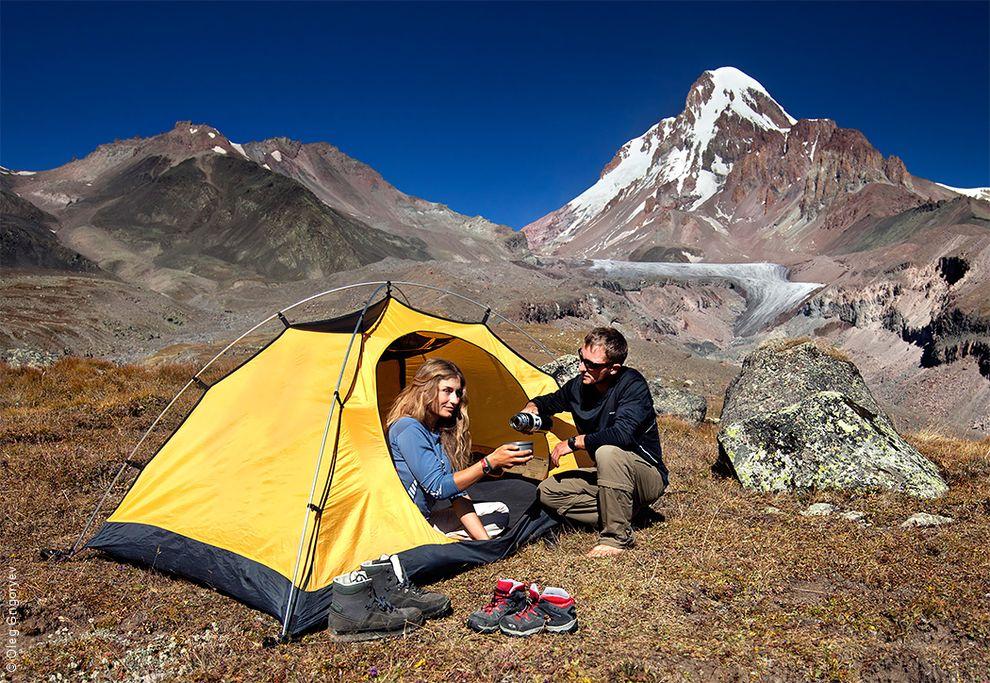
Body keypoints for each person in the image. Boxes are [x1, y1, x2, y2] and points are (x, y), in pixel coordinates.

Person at [525, 327, 668, 557]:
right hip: (607, 474)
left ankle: (615, 538)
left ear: (613, 369)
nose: (582, 368)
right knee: (548, 492)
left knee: (607, 451)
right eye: (581, 358)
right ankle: (627, 512)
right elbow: (552, 401)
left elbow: (622, 434)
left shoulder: (632, 386)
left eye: (591, 364)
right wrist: (533, 406)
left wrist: (573, 443)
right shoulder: (580, 386)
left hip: (645, 474)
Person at [385, 358, 533, 541]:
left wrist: (486, 544)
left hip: (426, 519)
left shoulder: (439, 432)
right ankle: (431, 543)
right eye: (447, 391)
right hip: (405, 525)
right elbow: (438, 488)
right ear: (426, 390)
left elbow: (457, 494)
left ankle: (441, 541)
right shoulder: (408, 427)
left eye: (458, 393)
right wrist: (488, 463)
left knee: (499, 512)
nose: (455, 400)